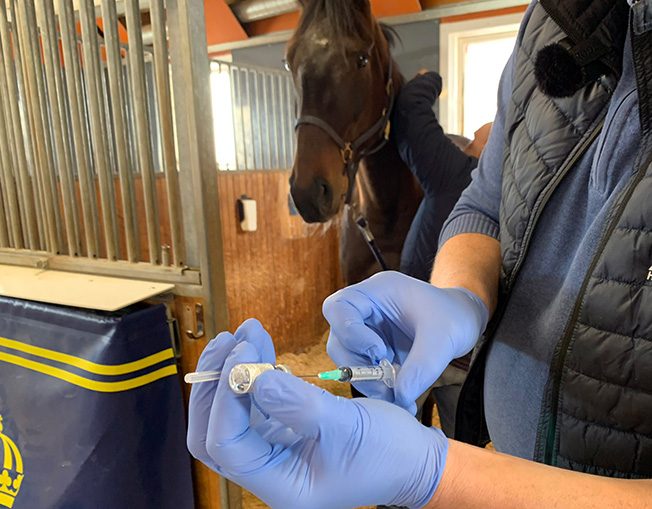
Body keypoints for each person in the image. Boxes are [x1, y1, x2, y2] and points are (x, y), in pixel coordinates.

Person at [187, 0, 652, 507]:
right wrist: (460, 295)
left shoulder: (427, 144)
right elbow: (487, 201)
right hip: (505, 452)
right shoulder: (552, 18)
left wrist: (441, 476)